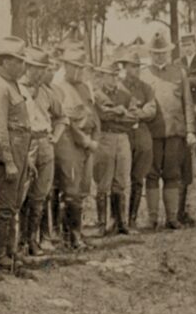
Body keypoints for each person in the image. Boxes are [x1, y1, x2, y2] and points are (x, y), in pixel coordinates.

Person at [0, 37, 32, 269]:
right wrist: (9, 161)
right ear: (4, 62)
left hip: (18, 148)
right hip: (7, 150)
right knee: (3, 203)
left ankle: (8, 251)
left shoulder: (12, 85)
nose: (23, 66)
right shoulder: (1, 88)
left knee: (12, 203)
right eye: (18, 61)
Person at [140, 33, 196, 230]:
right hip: (152, 133)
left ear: (169, 53)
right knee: (151, 174)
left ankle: (172, 218)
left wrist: (190, 130)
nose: (159, 56)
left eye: (163, 52)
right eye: (155, 53)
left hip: (175, 132)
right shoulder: (144, 74)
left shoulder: (179, 73)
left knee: (173, 174)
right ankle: (152, 218)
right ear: (150, 53)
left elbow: (187, 103)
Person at [52, 48, 99, 249]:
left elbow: (93, 115)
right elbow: (66, 121)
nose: (78, 71)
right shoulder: (58, 88)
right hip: (68, 141)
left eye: (81, 68)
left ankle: (76, 233)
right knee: (69, 189)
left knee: (82, 189)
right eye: (74, 67)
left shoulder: (85, 87)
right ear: (65, 66)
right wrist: (85, 141)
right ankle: (69, 237)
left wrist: (94, 138)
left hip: (86, 143)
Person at [20, 48, 65, 254]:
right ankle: (19, 242)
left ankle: (32, 240)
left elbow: (62, 117)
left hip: (45, 143)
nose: (39, 73)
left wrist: (55, 136)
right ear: (26, 67)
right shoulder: (17, 89)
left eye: (43, 69)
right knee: (21, 194)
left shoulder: (47, 92)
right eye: (36, 68)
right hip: (25, 144)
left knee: (40, 195)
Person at [114, 50, 156, 232]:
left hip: (141, 134)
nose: (136, 69)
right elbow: (114, 110)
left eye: (138, 66)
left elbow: (152, 109)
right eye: (133, 66)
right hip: (122, 134)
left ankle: (132, 219)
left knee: (138, 177)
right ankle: (117, 220)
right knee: (119, 179)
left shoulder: (146, 88)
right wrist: (128, 115)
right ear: (124, 67)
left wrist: (137, 113)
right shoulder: (117, 86)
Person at [91, 62, 134, 235]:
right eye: (109, 75)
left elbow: (133, 116)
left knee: (121, 180)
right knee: (103, 181)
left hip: (122, 138)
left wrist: (115, 114)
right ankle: (101, 224)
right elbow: (101, 114)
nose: (113, 79)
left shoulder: (125, 94)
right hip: (105, 137)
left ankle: (120, 222)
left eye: (115, 75)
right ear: (102, 76)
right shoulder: (96, 94)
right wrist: (119, 112)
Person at [179, 33, 196, 225]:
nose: (187, 47)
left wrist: (184, 81)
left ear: (195, 44)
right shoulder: (178, 62)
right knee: (183, 154)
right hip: (183, 109)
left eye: (189, 44)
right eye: (184, 45)